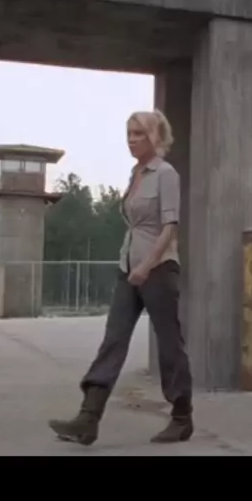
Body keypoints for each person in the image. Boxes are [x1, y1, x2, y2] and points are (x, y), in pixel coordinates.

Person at [48, 109, 194, 447]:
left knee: (169, 345)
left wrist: (147, 266)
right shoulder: (135, 174)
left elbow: (170, 228)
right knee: (113, 340)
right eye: (129, 133)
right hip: (128, 268)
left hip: (158, 269)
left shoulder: (166, 174)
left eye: (139, 134)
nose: (131, 140)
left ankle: (182, 417)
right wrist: (132, 266)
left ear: (156, 137)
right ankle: (88, 419)